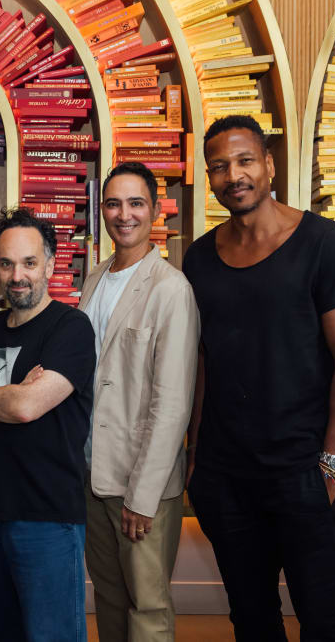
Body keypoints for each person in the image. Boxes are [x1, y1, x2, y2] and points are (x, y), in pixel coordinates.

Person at [182, 115, 335, 641]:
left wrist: (333, 465)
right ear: (210, 178)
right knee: (252, 622)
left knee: (328, 621)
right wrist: (195, 457)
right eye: (219, 167)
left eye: (245, 161)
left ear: (268, 165)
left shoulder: (321, 241)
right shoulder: (199, 258)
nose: (233, 175)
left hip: (301, 470)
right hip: (224, 477)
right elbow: (201, 363)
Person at [0, 208, 96, 642]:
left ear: (50, 265)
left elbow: (26, 408)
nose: (17, 276)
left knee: (52, 635)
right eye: (6, 264)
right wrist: (5, 396)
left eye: (29, 263)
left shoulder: (71, 328)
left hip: (45, 516)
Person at [79, 162, 199, 641]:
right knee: (109, 599)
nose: (123, 214)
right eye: (113, 204)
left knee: (147, 607)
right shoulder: (94, 279)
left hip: (140, 483)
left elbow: (172, 405)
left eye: (135, 203)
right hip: (92, 474)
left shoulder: (172, 290)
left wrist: (142, 496)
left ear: (155, 211)